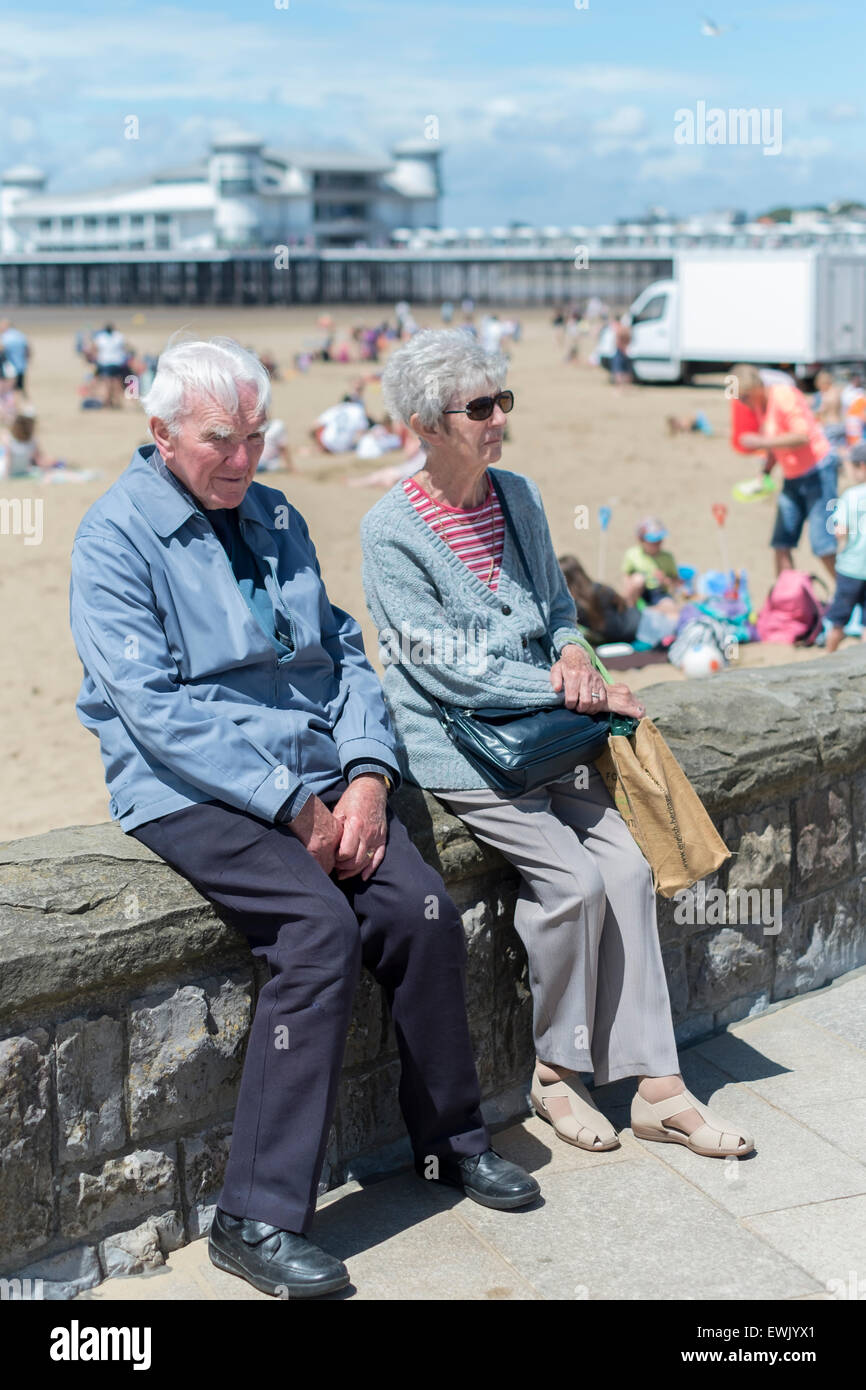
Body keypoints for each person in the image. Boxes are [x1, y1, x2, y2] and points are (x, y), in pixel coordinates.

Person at [68, 336, 539, 1301]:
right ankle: (255, 1218)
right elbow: (152, 708)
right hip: (189, 788)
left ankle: (450, 1144)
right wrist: (287, 800)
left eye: (254, 436)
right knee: (317, 931)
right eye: (218, 441)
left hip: (322, 773)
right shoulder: (112, 536)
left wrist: (367, 775)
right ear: (159, 434)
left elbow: (345, 652)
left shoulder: (276, 514)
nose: (242, 459)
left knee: (425, 914)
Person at [361, 329, 753, 1163]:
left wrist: (575, 654)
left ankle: (658, 1088)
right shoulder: (388, 532)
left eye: (503, 400)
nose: (498, 418)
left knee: (631, 867)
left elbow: (560, 614)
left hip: (552, 732)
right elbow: (450, 672)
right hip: (464, 750)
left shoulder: (518, 497)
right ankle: (556, 1074)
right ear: (427, 424)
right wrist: (566, 685)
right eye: (479, 408)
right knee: (572, 882)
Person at [730, 362, 838, 579]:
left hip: (817, 471)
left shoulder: (783, 396)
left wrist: (760, 441)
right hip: (792, 477)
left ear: (755, 388)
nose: (744, 403)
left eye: (745, 397)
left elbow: (801, 436)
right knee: (781, 541)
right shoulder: (761, 405)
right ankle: (784, 601)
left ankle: (852, 596)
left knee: (822, 545)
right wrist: (765, 472)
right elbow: (775, 444)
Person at [558, 553, 678, 647]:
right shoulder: (601, 589)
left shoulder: (574, 606)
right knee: (677, 620)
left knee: (679, 623)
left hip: (639, 630)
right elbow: (622, 603)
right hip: (640, 620)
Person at [824, 444, 866, 653]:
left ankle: (826, 659)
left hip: (850, 569)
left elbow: (839, 531)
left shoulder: (851, 495)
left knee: (838, 623)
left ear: (862, 466)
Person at [622, 518, 681, 605]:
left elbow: (676, 581)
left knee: (669, 604)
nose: (658, 543)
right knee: (638, 579)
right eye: (653, 541)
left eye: (660, 539)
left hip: (659, 592)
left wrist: (665, 580)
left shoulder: (667, 557)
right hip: (639, 593)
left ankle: (652, 611)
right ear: (641, 540)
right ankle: (630, 607)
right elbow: (626, 575)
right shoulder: (633, 554)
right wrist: (628, 591)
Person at [92, 323, 130, 408]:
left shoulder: (101, 337)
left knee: (107, 383)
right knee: (117, 382)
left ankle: (108, 401)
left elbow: (94, 348)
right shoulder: (119, 336)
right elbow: (125, 347)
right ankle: (117, 401)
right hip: (118, 363)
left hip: (105, 363)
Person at [0, 319, 30, 397]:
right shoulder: (19, 335)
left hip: (10, 367)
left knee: (11, 389)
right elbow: (27, 349)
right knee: (20, 387)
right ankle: (28, 406)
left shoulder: (5, 336)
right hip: (21, 366)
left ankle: (16, 407)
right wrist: (27, 360)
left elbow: (2, 348)